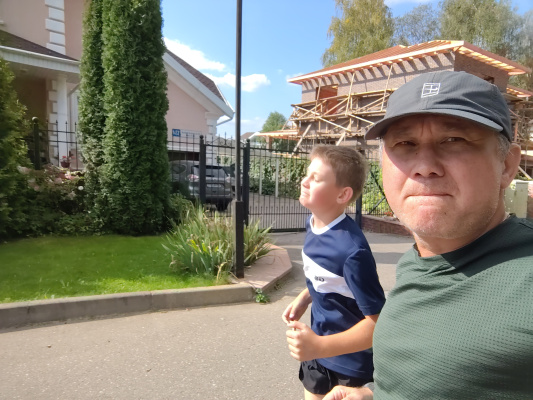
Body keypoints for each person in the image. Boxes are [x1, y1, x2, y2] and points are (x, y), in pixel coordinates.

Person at [324, 71, 533, 400]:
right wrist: (374, 394)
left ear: (506, 165)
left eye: (454, 140)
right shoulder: (417, 261)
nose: (424, 165)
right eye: (405, 144)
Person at [282, 145, 386, 400]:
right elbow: (329, 278)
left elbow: (378, 323)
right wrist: (305, 297)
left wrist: (319, 346)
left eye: (316, 178)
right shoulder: (313, 224)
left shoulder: (352, 251)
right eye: (307, 174)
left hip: (349, 364)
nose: (304, 181)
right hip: (316, 352)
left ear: (343, 195)